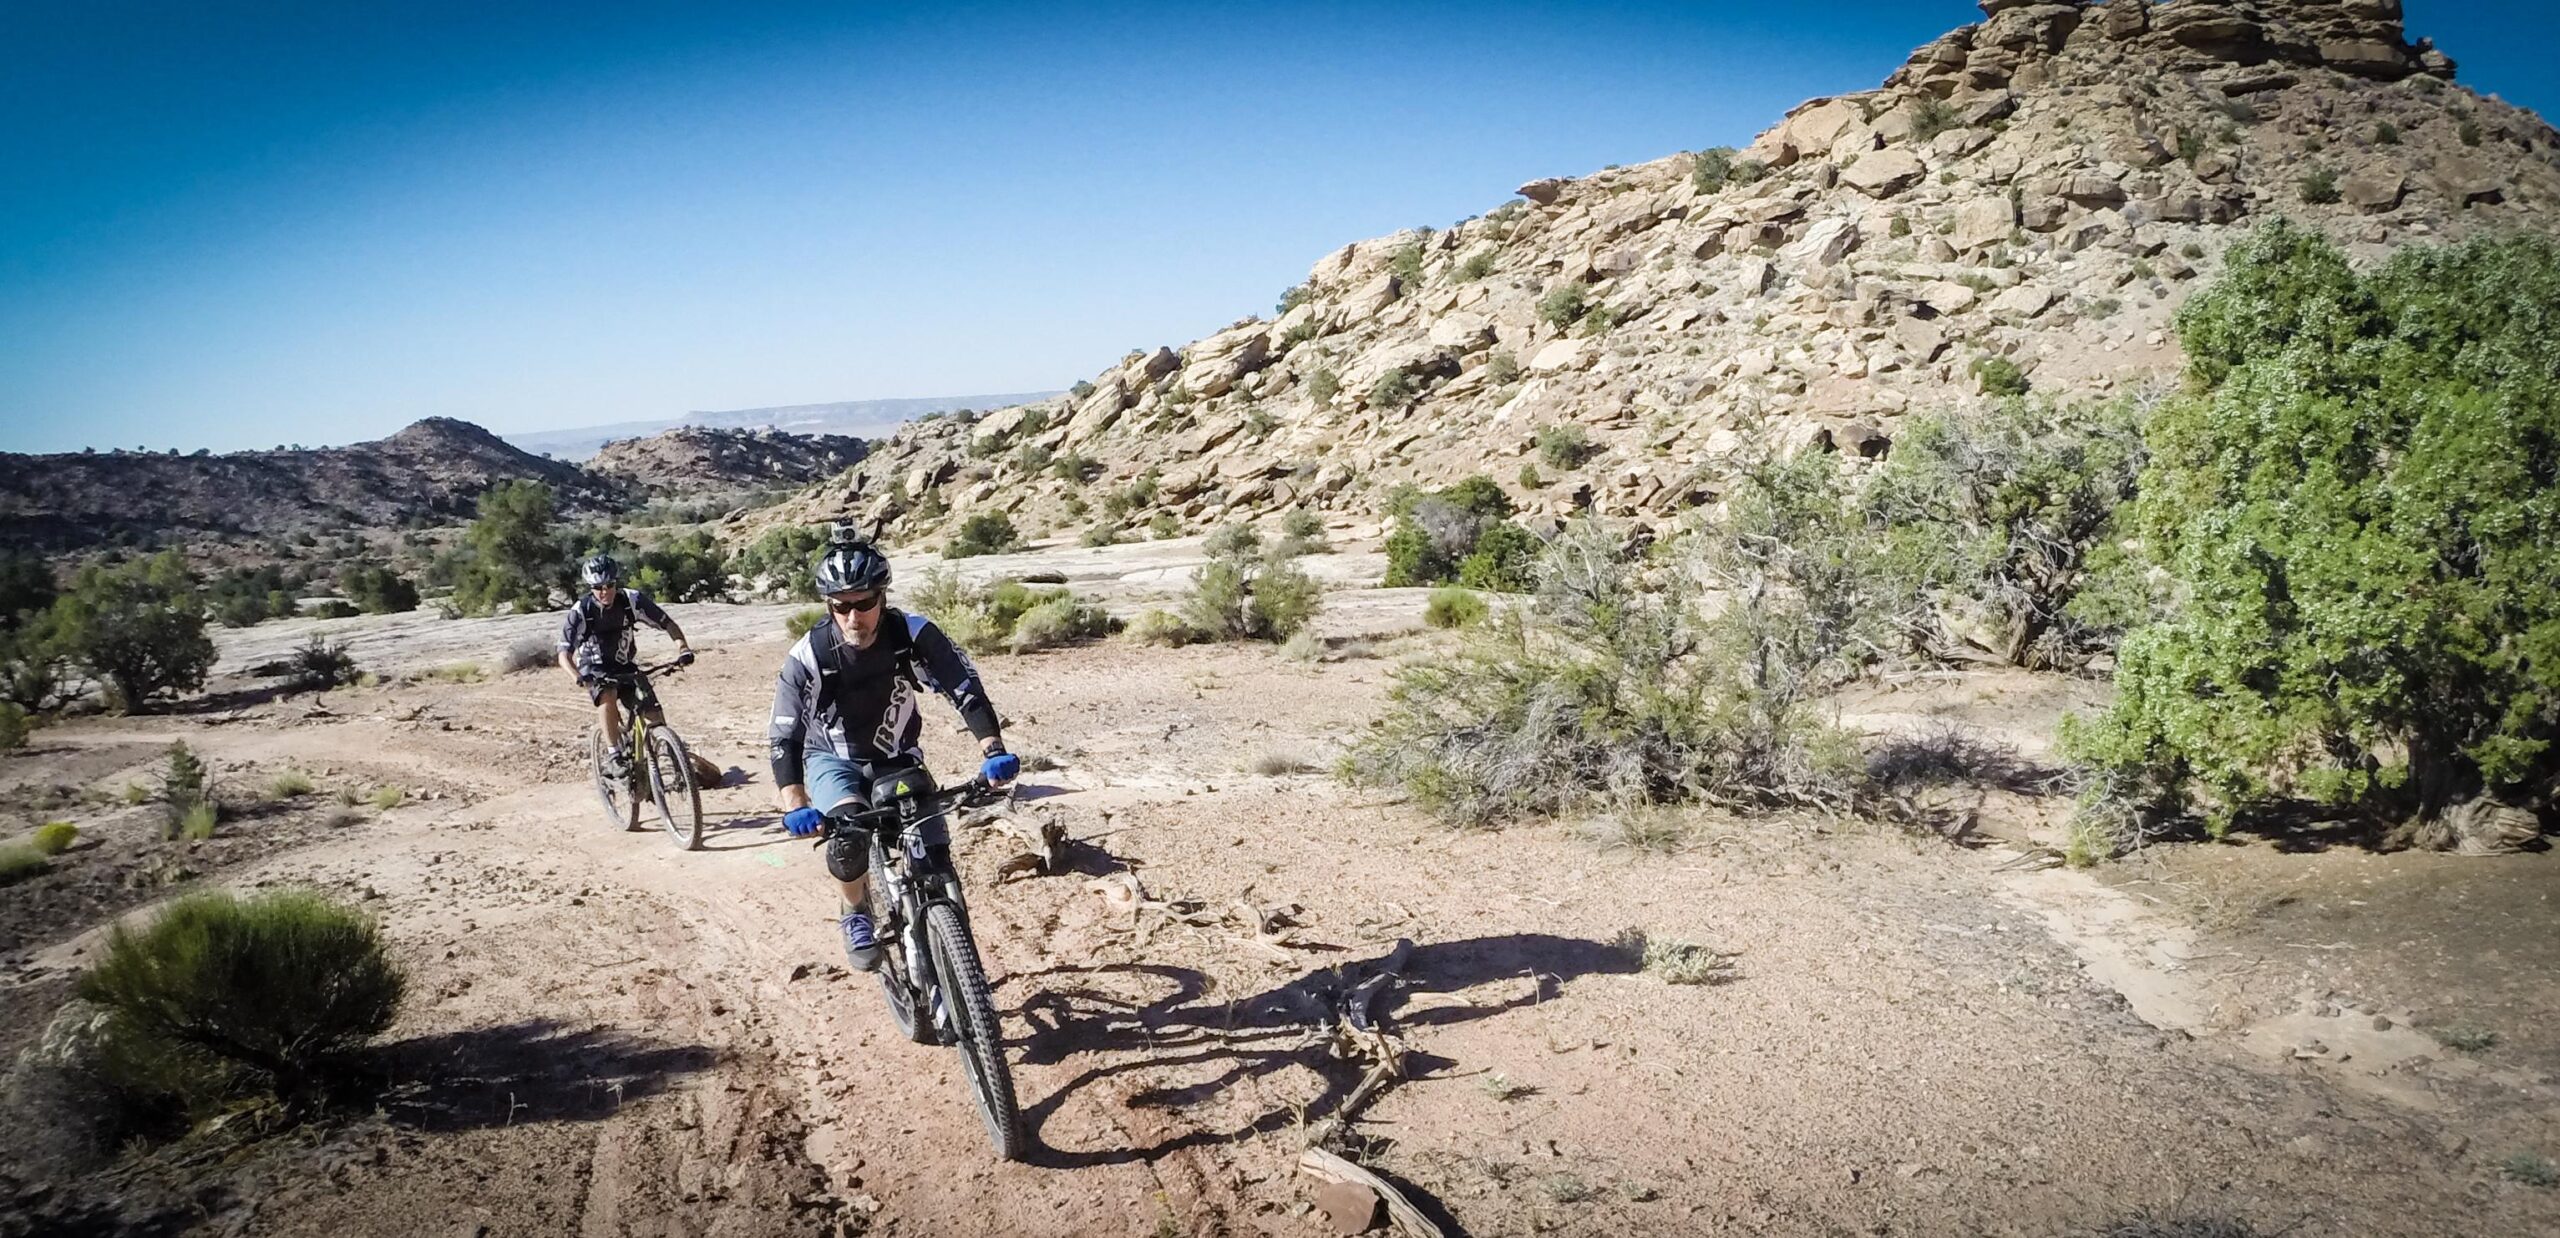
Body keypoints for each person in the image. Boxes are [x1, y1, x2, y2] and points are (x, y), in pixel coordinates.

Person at [768, 535, 1018, 971]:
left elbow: (964, 688)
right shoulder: (809, 654)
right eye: (839, 606)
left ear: (881, 597)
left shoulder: (912, 634)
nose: (852, 616)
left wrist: (992, 749)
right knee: (848, 842)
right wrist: (795, 802)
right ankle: (855, 912)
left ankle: (951, 938)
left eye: (862, 603)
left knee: (933, 847)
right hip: (833, 759)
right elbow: (783, 734)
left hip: (898, 754)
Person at [557, 554, 693, 773]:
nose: (605, 591)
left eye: (609, 585)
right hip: (594, 667)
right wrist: (578, 677)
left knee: (652, 709)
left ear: (616, 582)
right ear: (591, 587)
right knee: (607, 694)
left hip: (624, 665)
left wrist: (683, 648)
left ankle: (671, 757)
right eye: (598, 587)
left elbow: (667, 623)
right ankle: (614, 755)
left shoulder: (632, 600)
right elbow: (563, 653)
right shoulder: (581, 611)